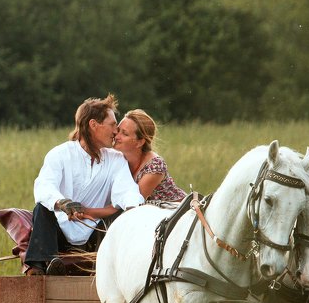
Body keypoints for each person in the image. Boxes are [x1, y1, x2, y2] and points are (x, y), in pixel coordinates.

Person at [25, 94, 144, 275]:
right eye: (112, 125)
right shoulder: (60, 154)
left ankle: (115, 268)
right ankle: (43, 267)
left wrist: (139, 208)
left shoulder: (116, 160)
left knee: (121, 214)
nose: (116, 131)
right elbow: (44, 186)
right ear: (93, 125)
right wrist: (62, 202)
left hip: (95, 234)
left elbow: (126, 191)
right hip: (59, 233)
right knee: (41, 208)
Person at [113, 109, 187, 203]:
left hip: (178, 213)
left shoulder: (155, 165)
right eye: (118, 130)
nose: (116, 136)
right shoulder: (115, 158)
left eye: (125, 133)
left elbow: (132, 203)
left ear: (139, 142)